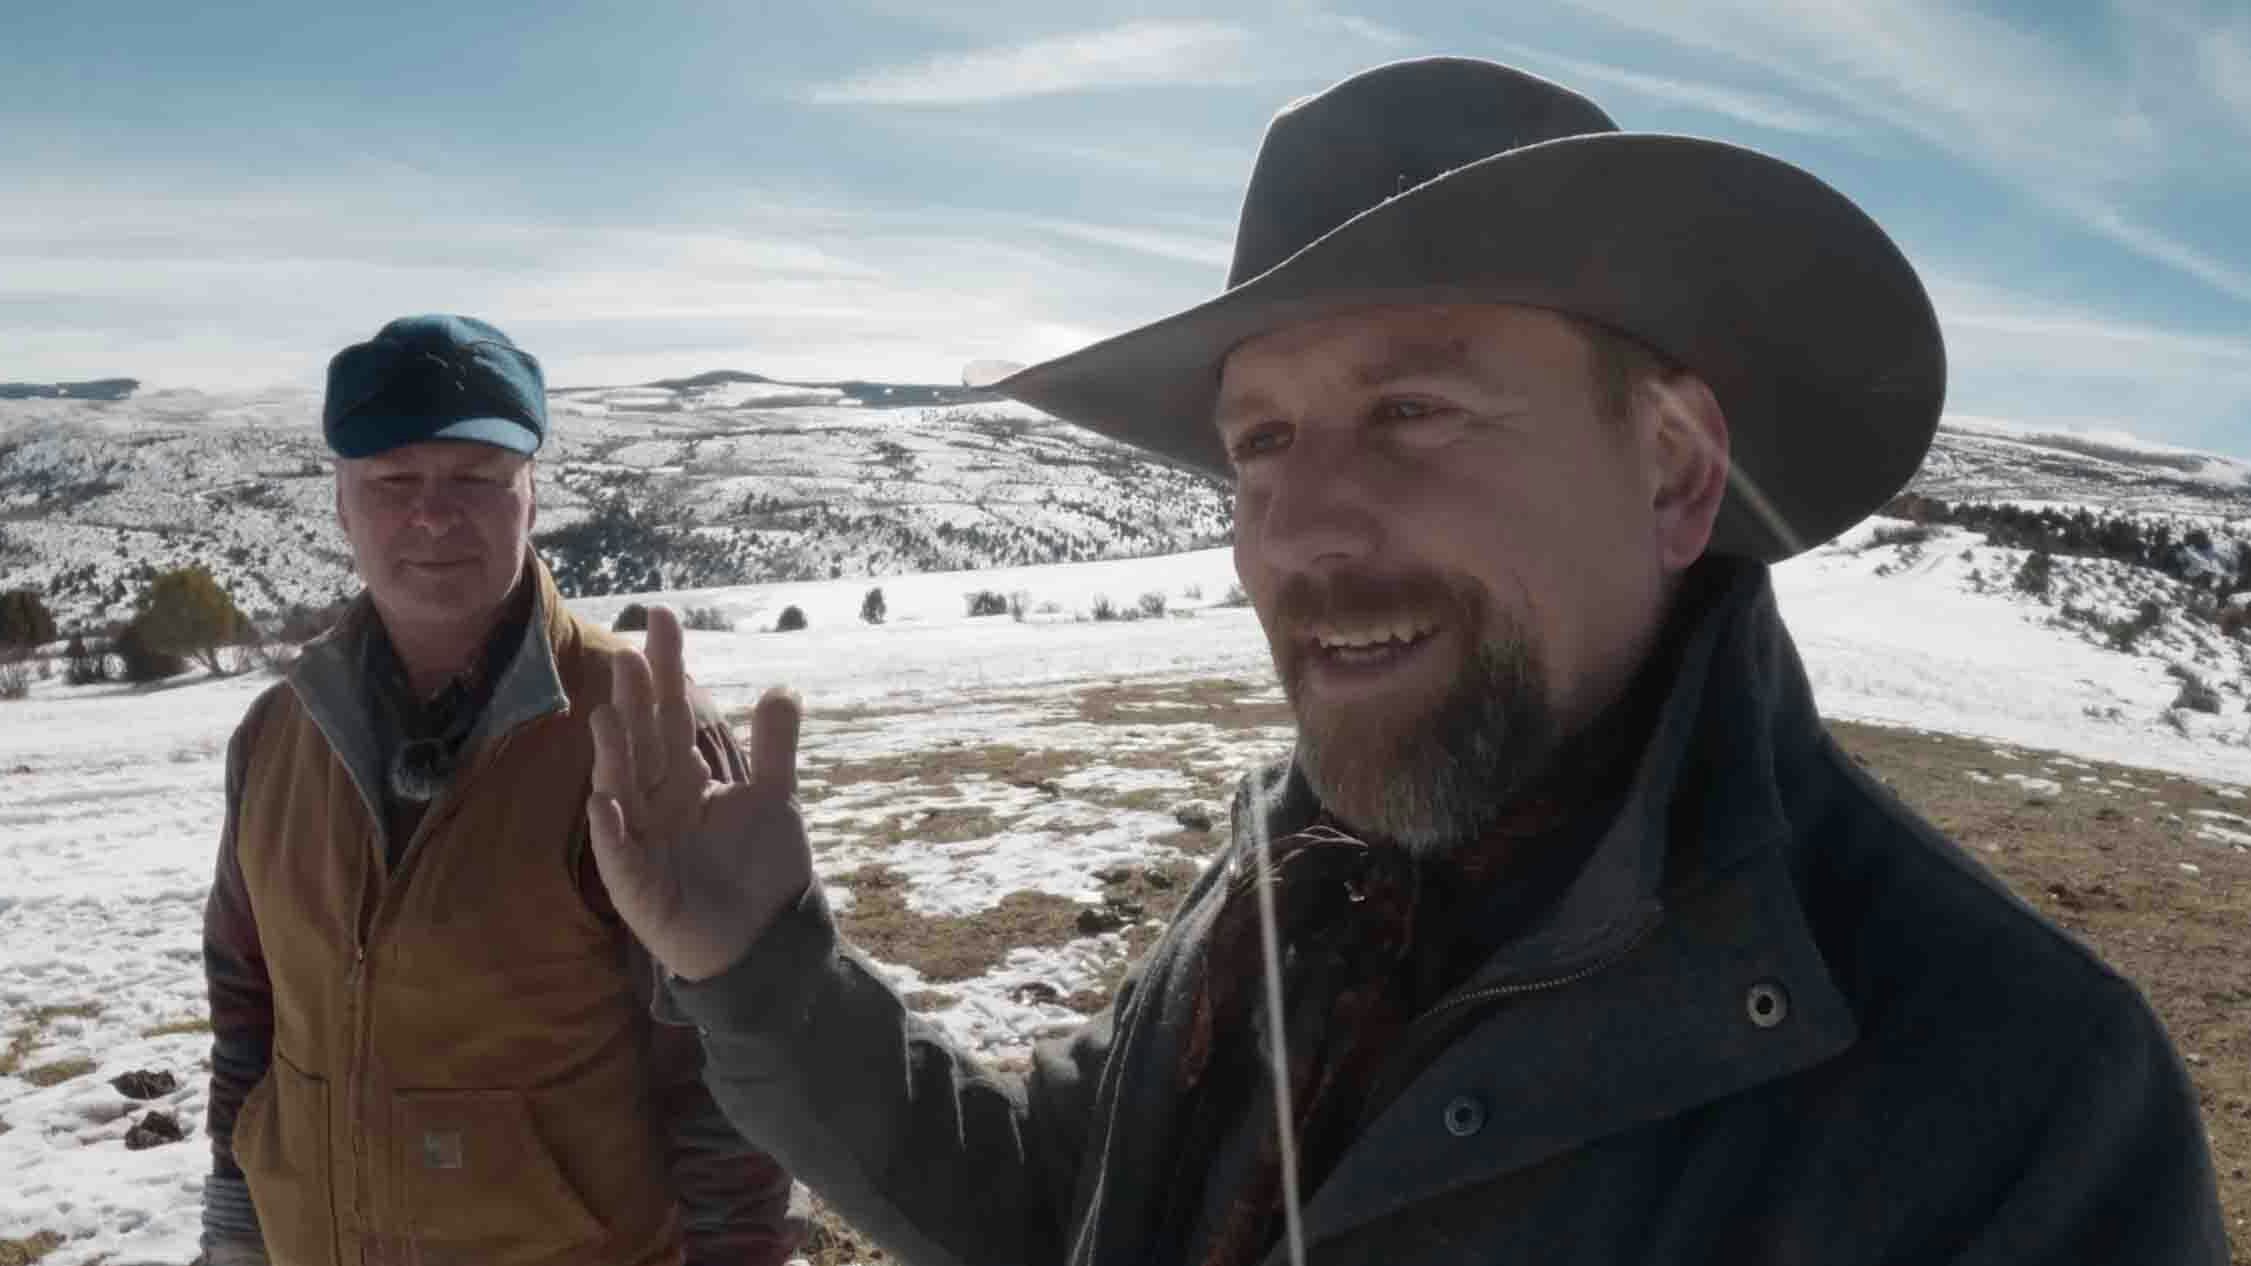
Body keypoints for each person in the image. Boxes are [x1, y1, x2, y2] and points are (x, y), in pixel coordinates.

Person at [587, 59, 2230, 1265]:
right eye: (1259, 442)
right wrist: (759, 970)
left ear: (1670, 472)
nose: (1299, 531)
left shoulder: (2010, 1101)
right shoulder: (1290, 887)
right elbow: (1054, 1206)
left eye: (1412, 410)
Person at [198, 314, 804, 1266]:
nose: (434, 516)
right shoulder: (277, 736)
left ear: (531, 495)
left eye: (476, 478)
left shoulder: (638, 726)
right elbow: (249, 1008)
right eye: (393, 481)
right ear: (341, 505)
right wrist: (237, 1230)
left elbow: (729, 1064)